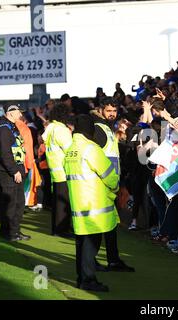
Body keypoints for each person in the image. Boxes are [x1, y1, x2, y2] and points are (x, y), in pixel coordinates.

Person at [64, 115, 119, 292]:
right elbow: (109, 174)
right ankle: (87, 279)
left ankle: (83, 278)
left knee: (82, 244)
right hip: (94, 204)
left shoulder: (71, 149)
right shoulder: (91, 148)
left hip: (78, 204)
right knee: (90, 244)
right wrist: (116, 186)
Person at [91, 97, 135, 272]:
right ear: (101, 110)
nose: (112, 114)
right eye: (108, 111)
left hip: (109, 184)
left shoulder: (107, 128)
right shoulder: (100, 128)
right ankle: (93, 259)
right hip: (102, 185)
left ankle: (113, 259)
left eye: (114, 111)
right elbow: (96, 156)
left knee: (109, 224)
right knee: (100, 224)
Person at [0, 104, 30, 241]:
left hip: (15, 170)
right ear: (11, 113)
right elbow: (5, 153)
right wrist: (14, 171)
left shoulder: (10, 127)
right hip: (8, 172)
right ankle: (8, 233)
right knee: (10, 205)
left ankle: (15, 231)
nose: (20, 115)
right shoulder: (4, 130)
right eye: (18, 112)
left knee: (19, 203)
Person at [42, 103, 73, 236]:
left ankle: (57, 229)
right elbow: (70, 149)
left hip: (54, 168)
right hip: (63, 168)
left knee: (57, 203)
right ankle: (61, 230)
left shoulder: (51, 127)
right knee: (63, 203)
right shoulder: (61, 129)